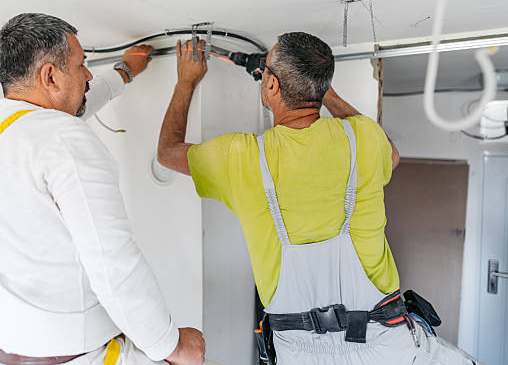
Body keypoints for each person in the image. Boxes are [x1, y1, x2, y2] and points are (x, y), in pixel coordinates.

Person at [157, 34, 479, 364]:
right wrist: (325, 92)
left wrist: (187, 80)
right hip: (386, 342)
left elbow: (167, 152)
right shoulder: (363, 139)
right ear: (321, 87)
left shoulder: (241, 158)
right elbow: (392, 156)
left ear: (270, 85)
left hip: (299, 352)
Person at [0, 13, 204, 365]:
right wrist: (170, 346)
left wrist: (125, 73)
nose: (88, 74)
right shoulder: (61, 138)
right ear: (50, 76)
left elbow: (71, 110)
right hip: (73, 356)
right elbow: (113, 262)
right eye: (81, 65)